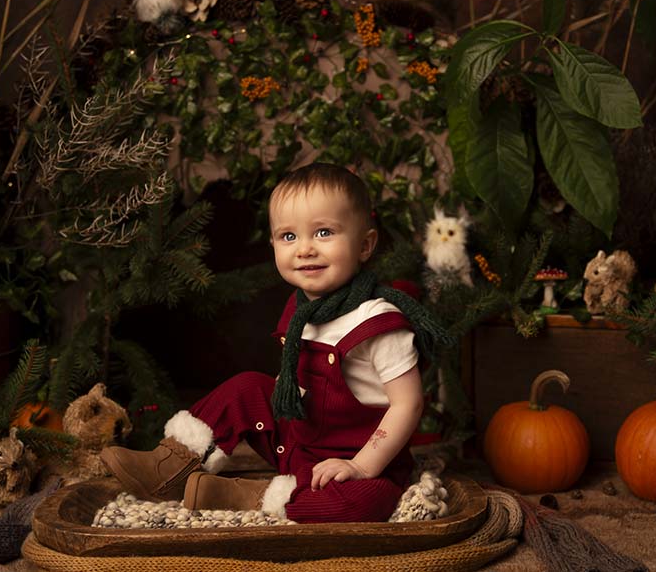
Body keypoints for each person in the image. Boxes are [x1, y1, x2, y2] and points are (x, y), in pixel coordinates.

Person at [100, 162, 450, 523]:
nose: (305, 249)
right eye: (288, 237)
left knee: (367, 503)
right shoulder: (300, 310)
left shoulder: (377, 321)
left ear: (365, 245)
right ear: (272, 244)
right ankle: (168, 467)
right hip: (299, 443)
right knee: (247, 386)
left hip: (354, 458)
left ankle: (252, 497)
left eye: (324, 232)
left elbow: (407, 404)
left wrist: (361, 465)